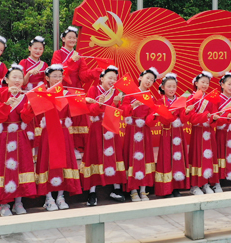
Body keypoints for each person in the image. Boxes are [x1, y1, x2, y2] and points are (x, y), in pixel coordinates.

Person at [0, 64, 37, 216]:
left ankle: (18, 201)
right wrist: (6, 105)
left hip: (21, 135)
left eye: (20, 78)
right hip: (5, 136)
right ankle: (3, 204)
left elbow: (26, 119)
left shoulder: (26, 96)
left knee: (22, 166)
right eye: (14, 77)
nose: (17, 80)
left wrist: (29, 107)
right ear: (6, 79)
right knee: (5, 168)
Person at [35, 65, 83, 211]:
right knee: (47, 162)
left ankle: (61, 196)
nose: (57, 79)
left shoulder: (67, 93)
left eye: (60, 76)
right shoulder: (40, 93)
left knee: (64, 162)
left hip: (63, 132)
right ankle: (48, 197)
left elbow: (77, 112)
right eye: (54, 76)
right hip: (48, 132)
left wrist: (84, 100)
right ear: (47, 78)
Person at [82, 66, 127, 206]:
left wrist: (116, 103)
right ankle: (92, 192)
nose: (112, 81)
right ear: (101, 78)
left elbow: (119, 112)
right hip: (97, 128)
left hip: (111, 128)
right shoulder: (93, 90)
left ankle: (116, 188)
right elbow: (90, 111)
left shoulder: (116, 92)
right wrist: (99, 104)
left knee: (114, 156)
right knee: (95, 156)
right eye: (110, 77)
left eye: (115, 78)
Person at [51, 26, 93, 160]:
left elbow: (83, 76)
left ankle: (76, 147)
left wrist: (95, 72)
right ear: (63, 39)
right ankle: (63, 146)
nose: (72, 40)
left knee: (78, 120)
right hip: (62, 90)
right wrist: (72, 60)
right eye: (69, 37)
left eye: (74, 38)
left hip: (76, 90)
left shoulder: (79, 56)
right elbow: (57, 72)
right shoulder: (58, 53)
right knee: (63, 118)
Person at [122, 68, 159, 202]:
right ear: (140, 78)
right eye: (147, 78)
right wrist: (133, 106)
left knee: (145, 159)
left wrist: (155, 116)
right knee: (133, 158)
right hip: (132, 130)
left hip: (144, 132)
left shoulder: (151, 97)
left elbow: (149, 120)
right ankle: (133, 190)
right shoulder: (130, 94)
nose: (149, 81)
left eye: (152, 80)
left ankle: (143, 190)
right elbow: (123, 111)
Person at [152, 73, 188, 198]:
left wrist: (186, 112)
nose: (172, 89)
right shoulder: (160, 101)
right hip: (167, 133)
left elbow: (183, 119)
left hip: (178, 133)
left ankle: (176, 188)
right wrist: (169, 114)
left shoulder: (180, 100)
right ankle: (166, 189)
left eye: (174, 86)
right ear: (162, 87)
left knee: (178, 159)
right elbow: (162, 120)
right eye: (169, 86)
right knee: (166, 159)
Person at [185, 71, 218, 195]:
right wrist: (206, 116)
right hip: (198, 132)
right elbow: (191, 118)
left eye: (207, 83)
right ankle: (195, 185)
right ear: (196, 83)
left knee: (208, 158)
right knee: (197, 157)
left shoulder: (210, 98)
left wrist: (214, 118)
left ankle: (205, 183)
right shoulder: (191, 98)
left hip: (208, 132)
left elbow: (213, 115)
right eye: (202, 82)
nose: (205, 85)